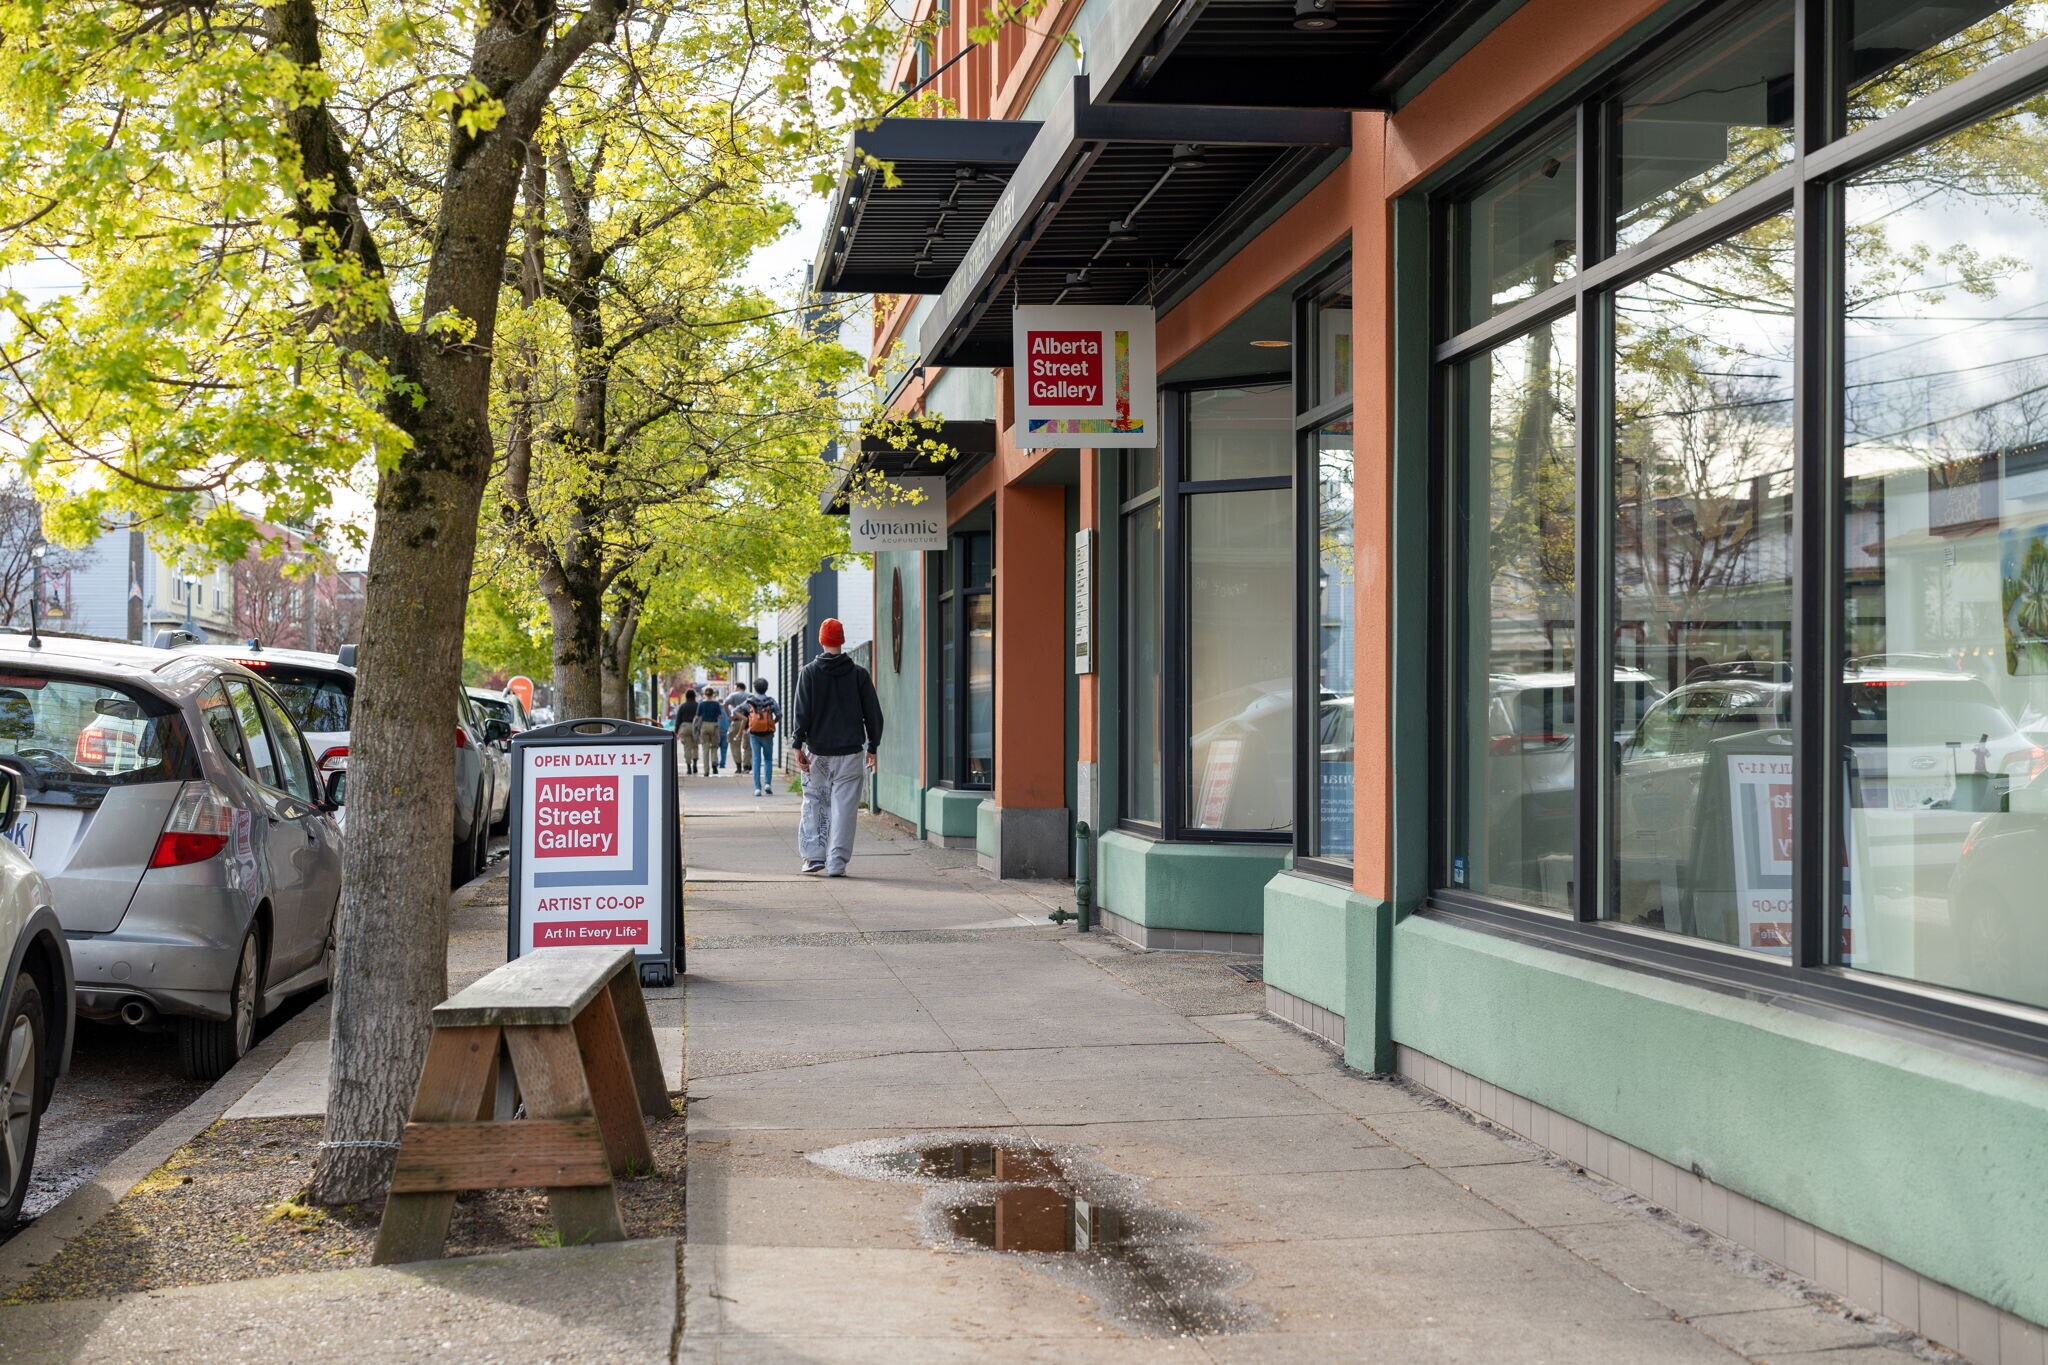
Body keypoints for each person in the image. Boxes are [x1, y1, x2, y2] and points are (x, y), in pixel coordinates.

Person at [791, 618, 883, 877]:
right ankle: (836, 862)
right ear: (841, 641)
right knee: (845, 808)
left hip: (818, 752)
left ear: (822, 640)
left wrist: (797, 744)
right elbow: (873, 714)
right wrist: (872, 746)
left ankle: (813, 857)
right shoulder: (859, 675)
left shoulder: (808, 673)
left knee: (814, 802)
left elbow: (802, 713)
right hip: (851, 753)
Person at [736, 677, 781, 797]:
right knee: (768, 759)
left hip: (754, 733)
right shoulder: (771, 701)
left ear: (755, 688)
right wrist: (772, 723)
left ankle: (757, 788)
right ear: (766, 688)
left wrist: (747, 720)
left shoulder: (750, 701)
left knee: (756, 759)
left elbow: (735, 711)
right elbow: (779, 714)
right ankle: (767, 784)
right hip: (768, 733)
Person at [695, 686, 726, 774]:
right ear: (713, 694)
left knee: (705, 748)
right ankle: (714, 764)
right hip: (714, 726)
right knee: (714, 746)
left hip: (704, 726)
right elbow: (720, 716)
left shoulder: (701, 704)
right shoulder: (716, 704)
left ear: (705, 694)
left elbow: (697, 716)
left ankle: (706, 771)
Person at [725, 686, 751, 777]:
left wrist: (729, 715)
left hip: (736, 721)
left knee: (734, 744)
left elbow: (725, 703)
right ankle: (747, 765)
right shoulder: (750, 695)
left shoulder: (733, 695)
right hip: (748, 722)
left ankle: (738, 765)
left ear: (738, 687)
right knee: (747, 745)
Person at [674, 688, 700, 774]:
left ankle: (689, 767)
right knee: (695, 746)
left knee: (687, 748)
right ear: (694, 696)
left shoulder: (682, 706)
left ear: (686, 696)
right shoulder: (698, 705)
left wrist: (676, 731)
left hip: (685, 727)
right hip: (695, 727)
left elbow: (678, 720)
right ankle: (695, 764)